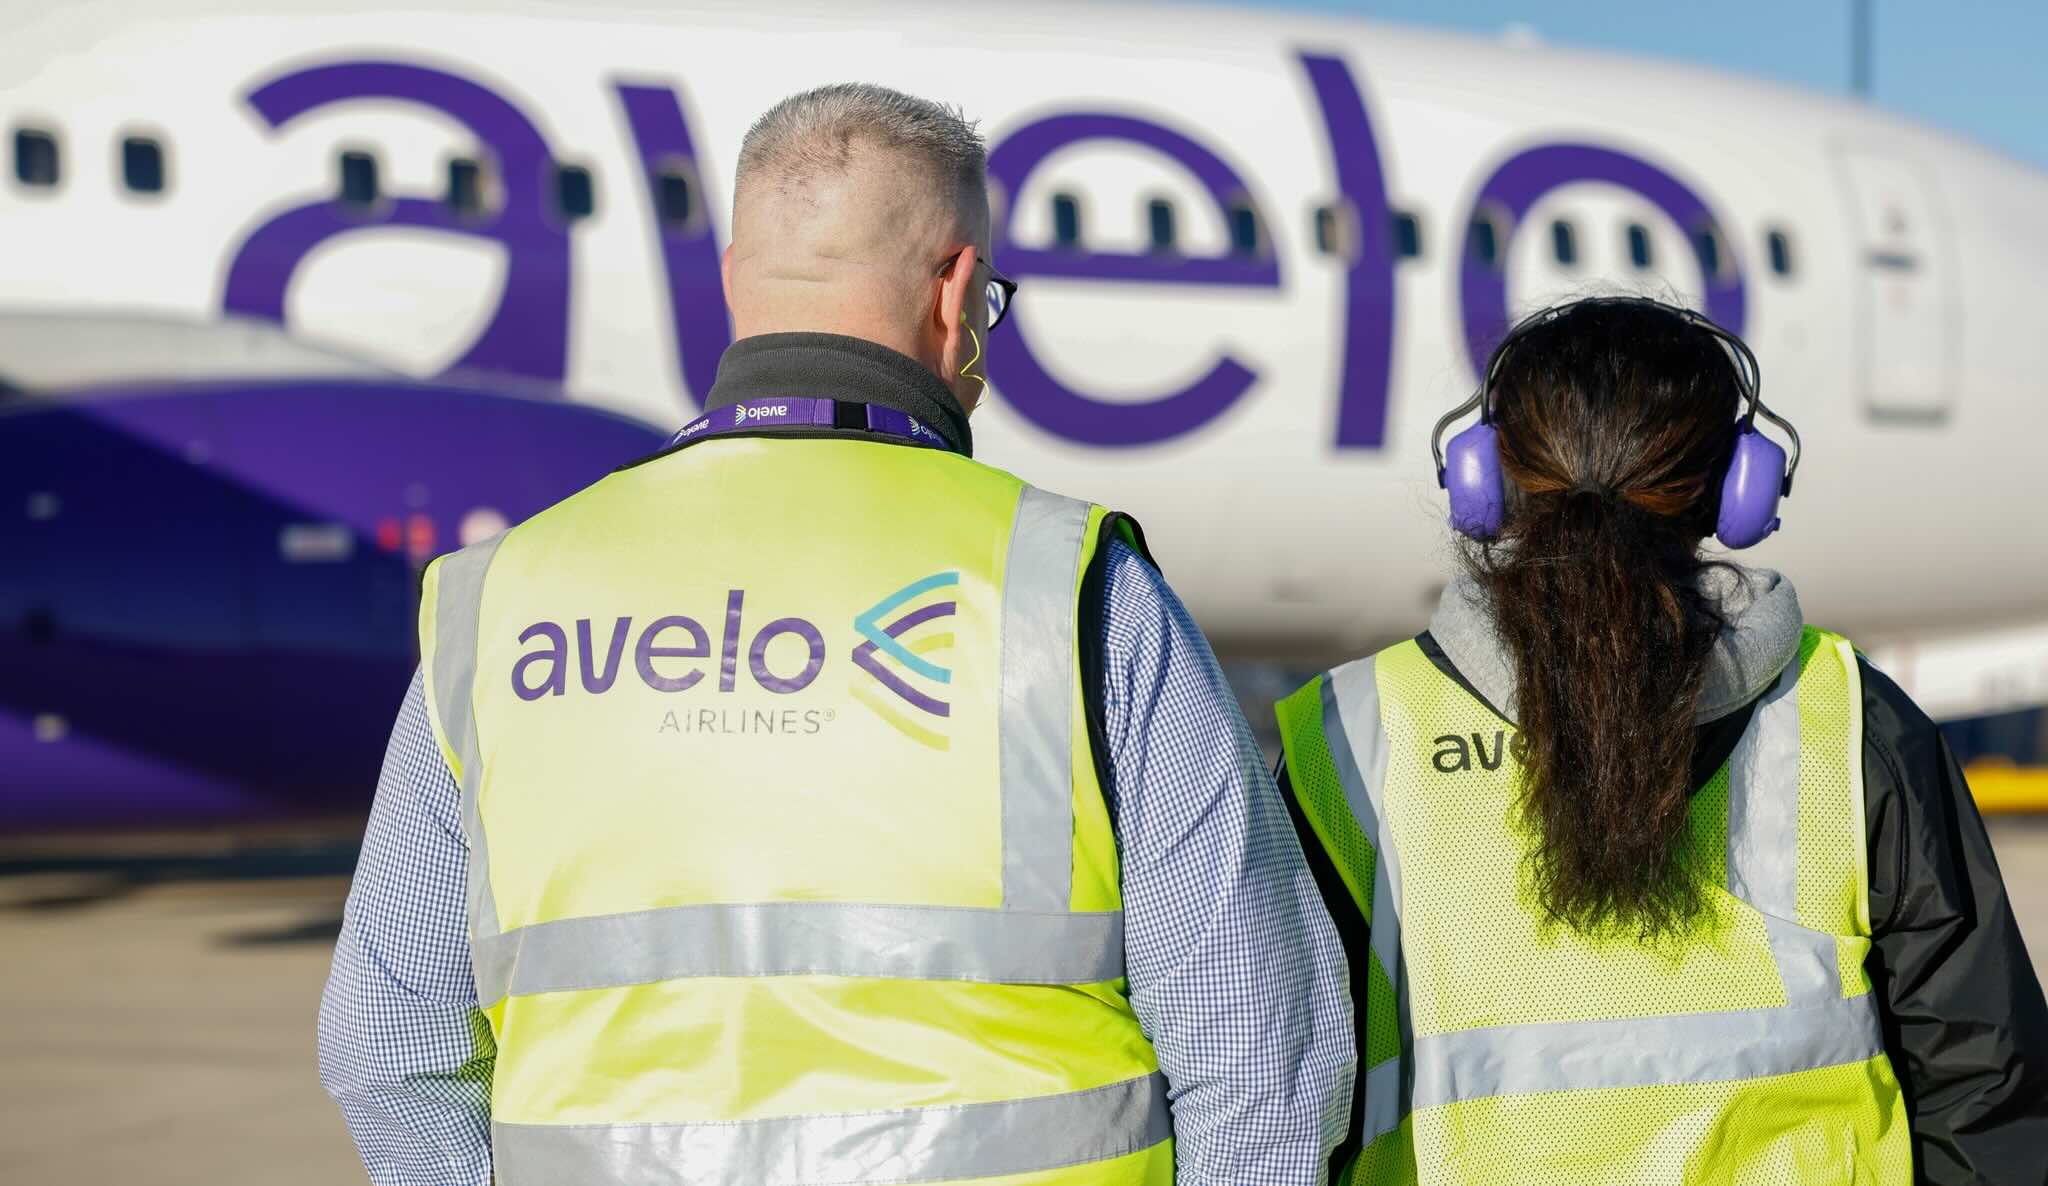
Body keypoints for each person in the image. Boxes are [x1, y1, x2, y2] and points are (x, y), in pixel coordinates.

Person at [317, 83, 1352, 1186]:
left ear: (731, 282)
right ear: (956, 294)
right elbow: (1261, 1046)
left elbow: (393, 1047)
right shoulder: (1068, 585)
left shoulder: (497, 599)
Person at [1276, 296, 2048, 1184]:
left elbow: (1264, 1076)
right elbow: (1981, 1080)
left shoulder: (1347, 734)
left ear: (1481, 478)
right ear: (1739, 489)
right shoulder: (1848, 717)